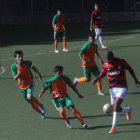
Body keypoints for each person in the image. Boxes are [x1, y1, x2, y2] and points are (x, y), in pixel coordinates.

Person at [91, 51, 140, 134]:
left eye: (109, 59)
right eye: (107, 60)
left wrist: (136, 80)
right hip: (112, 89)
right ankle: (128, 110)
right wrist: (96, 80)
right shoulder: (106, 64)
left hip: (122, 87)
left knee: (116, 105)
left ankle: (113, 127)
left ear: (113, 57)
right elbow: (103, 74)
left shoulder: (121, 61)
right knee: (115, 108)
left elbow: (130, 69)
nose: (108, 61)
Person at [11, 50, 46, 119]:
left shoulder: (27, 63)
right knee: (30, 101)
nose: (21, 58)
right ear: (15, 58)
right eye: (18, 56)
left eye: (21, 56)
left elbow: (33, 67)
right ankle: (41, 110)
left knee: (29, 97)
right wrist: (18, 73)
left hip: (30, 83)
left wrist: (38, 73)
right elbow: (15, 78)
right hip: (22, 87)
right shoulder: (13, 66)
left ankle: (41, 109)